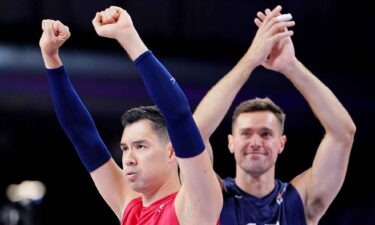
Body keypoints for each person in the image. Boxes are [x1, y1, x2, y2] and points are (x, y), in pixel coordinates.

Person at [39, 6, 222, 225]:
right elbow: (81, 133)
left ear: (172, 151)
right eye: (125, 148)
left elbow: (178, 115)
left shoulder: (196, 205)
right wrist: (51, 58)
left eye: (141, 146)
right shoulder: (130, 206)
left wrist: (128, 36)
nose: (128, 159)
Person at [193, 5, 356, 225]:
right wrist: (250, 59)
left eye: (266, 134)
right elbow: (192, 135)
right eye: (246, 133)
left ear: (281, 143)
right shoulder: (213, 200)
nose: (255, 142)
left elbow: (343, 133)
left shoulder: (300, 202)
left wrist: (291, 66)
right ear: (230, 143)